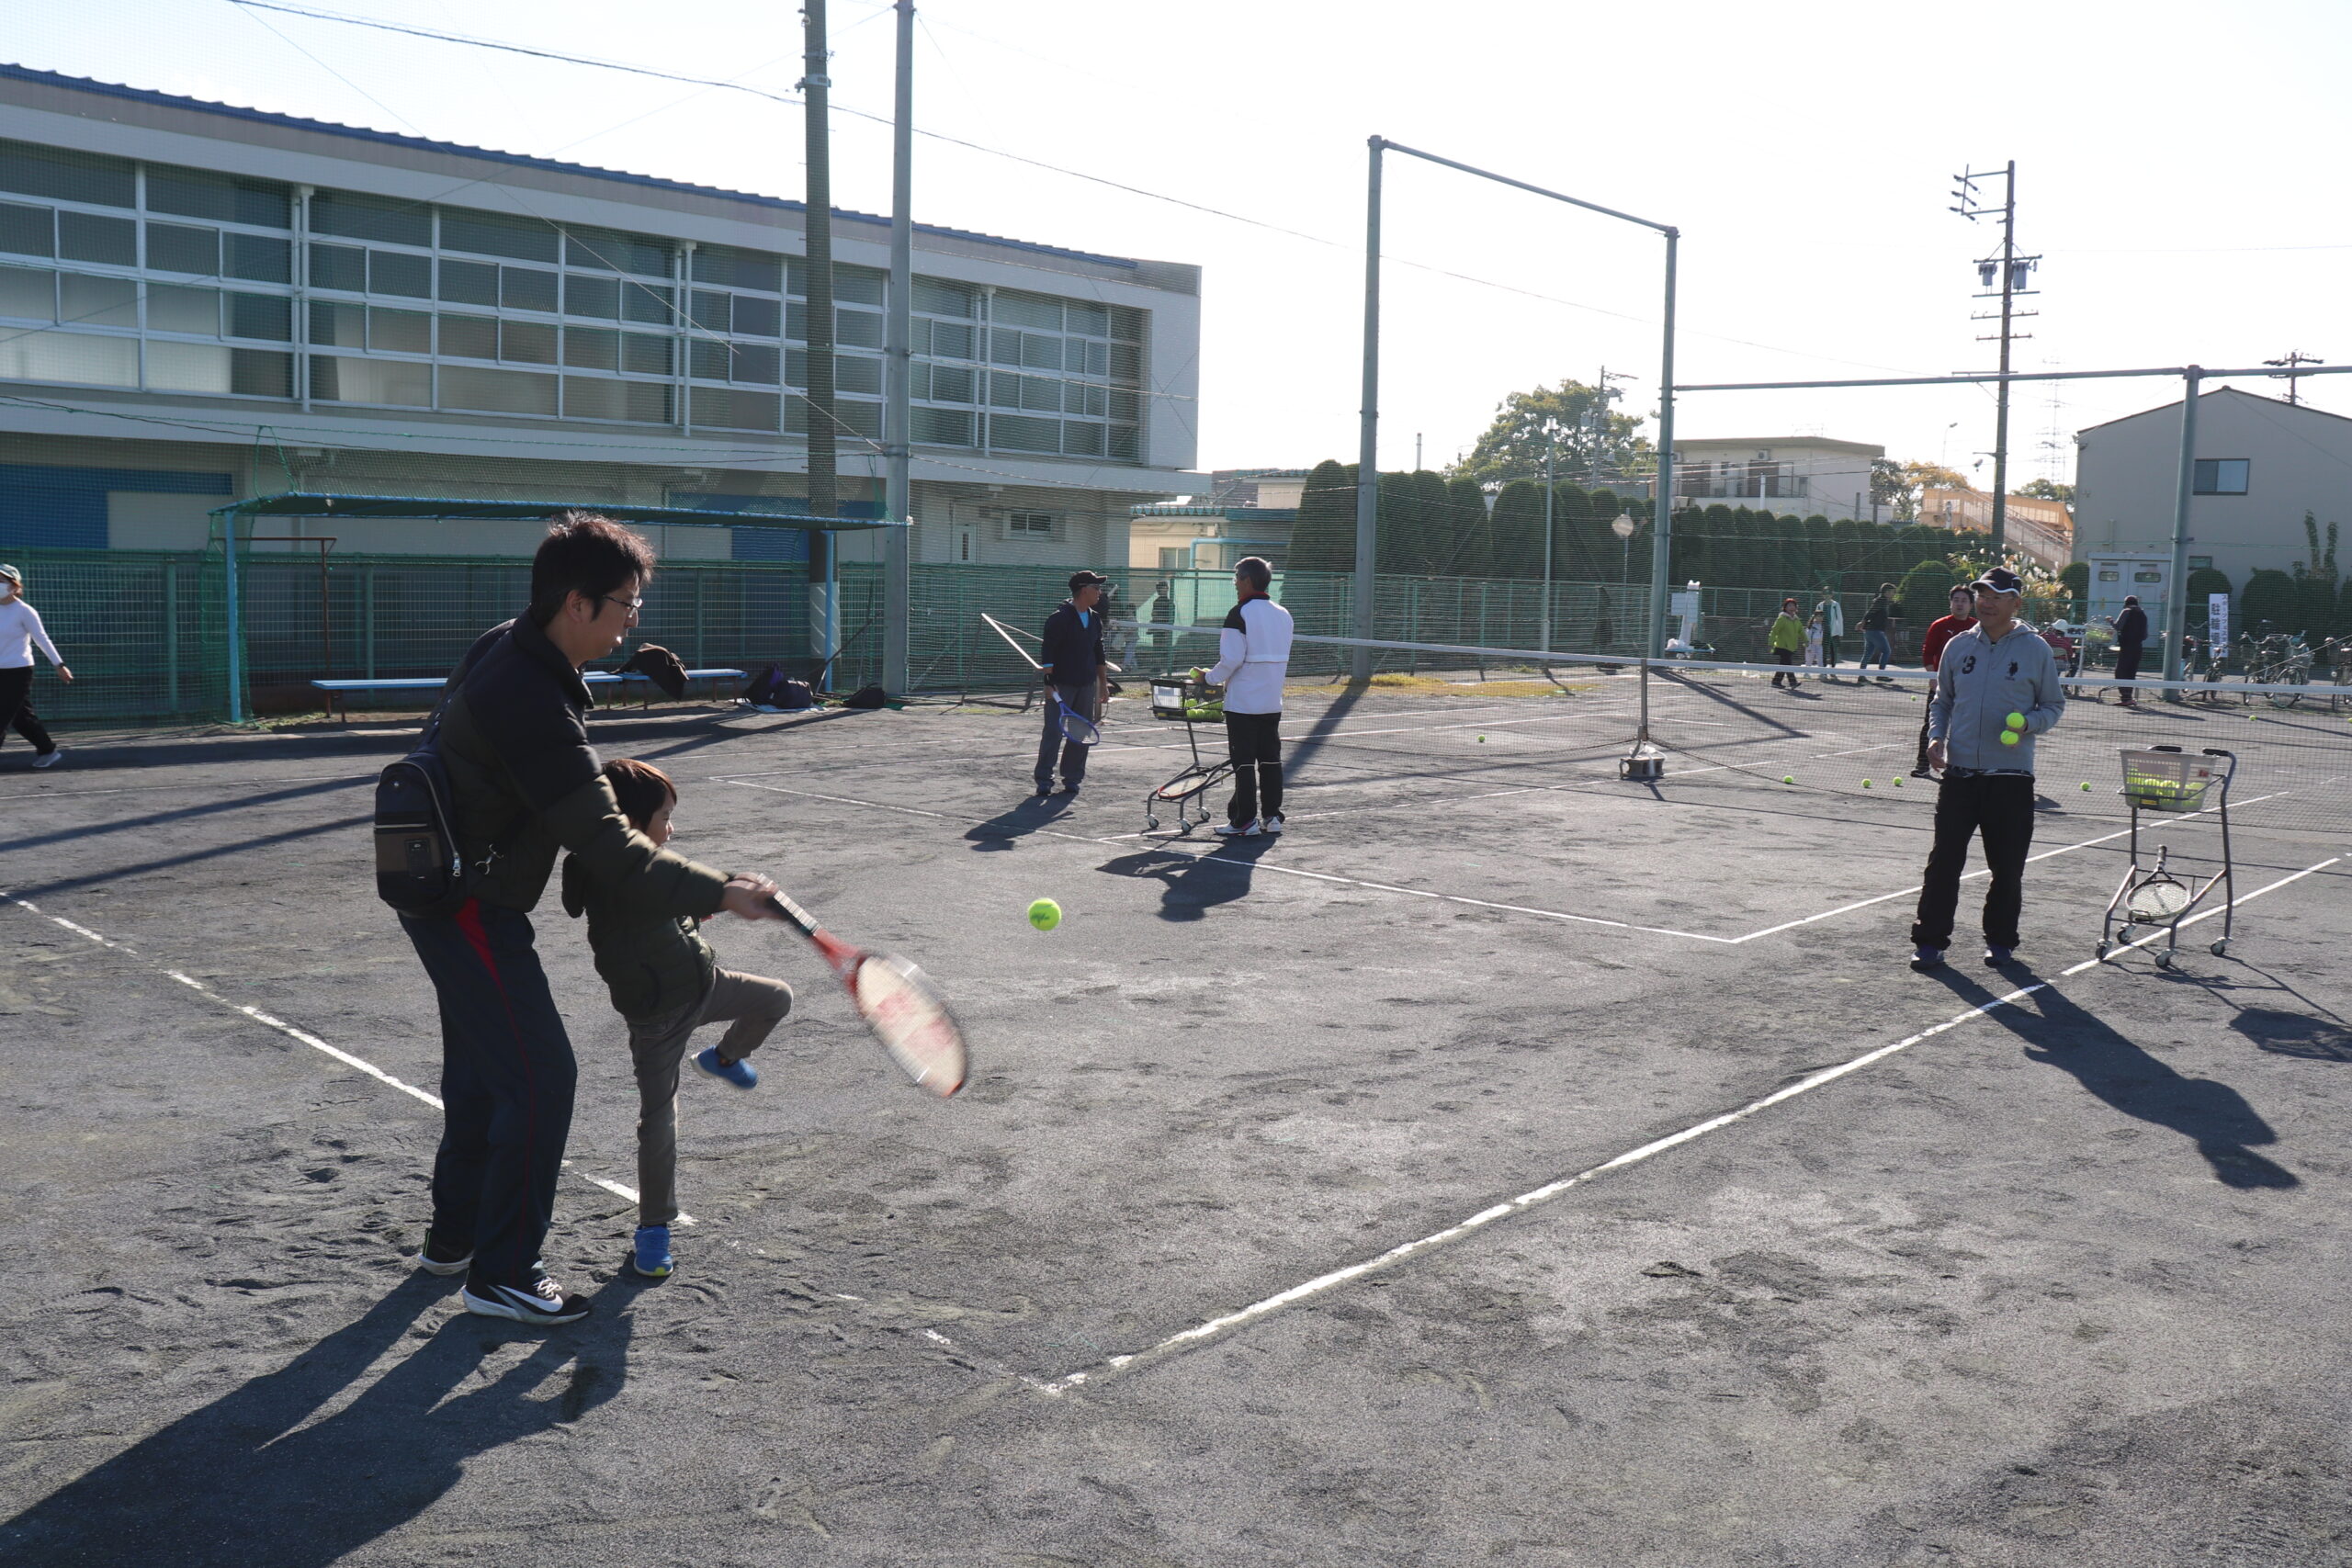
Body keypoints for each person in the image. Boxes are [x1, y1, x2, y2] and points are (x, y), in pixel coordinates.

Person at [402, 513, 780, 1326]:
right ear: (576, 603)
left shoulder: (511, 647)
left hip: (446, 886)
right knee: (542, 1076)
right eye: (626, 605)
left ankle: (454, 1238)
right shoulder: (531, 698)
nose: (633, 618)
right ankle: (504, 1272)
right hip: (469, 906)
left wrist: (623, 667)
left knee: (481, 1073)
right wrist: (722, 890)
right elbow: (610, 844)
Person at [561, 758, 795, 1282]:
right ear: (628, 824)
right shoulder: (619, 878)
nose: (671, 828)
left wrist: (711, 903)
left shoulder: (646, 872)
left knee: (776, 998)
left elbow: (674, 899)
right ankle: (653, 1229)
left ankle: (724, 1057)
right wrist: (726, 890)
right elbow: (661, 891)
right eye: (664, 817)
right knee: (659, 1123)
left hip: (704, 986)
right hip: (657, 1020)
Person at [1910, 566, 2065, 971]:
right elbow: (1942, 701)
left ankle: (2000, 941)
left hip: (2011, 780)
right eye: (1982, 595)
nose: (1986, 602)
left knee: (2007, 868)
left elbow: (2053, 705)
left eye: (1996, 596)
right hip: (1959, 776)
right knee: (1944, 864)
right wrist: (1936, 737)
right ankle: (1929, 942)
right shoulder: (1958, 645)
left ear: (2016, 603)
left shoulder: (2036, 650)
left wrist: (2028, 724)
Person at [1204, 556, 1295, 838]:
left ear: (1246, 580)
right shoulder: (1283, 614)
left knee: (1243, 763)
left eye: (1236, 579)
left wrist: (1207, 678)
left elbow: (1231, 660)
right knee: (1270, 760)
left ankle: (1244, 821)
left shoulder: (1239, 613)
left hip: (1243, 704)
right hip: (1271, 702)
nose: (1235, 584)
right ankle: (1272, 816)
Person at [1035, 570, 1113, 798]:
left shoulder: (1094, 618)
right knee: (1053, 732)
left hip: (1086, 684)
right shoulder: (1059, 618)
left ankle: (1072, 778)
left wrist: (1103, 684)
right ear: (1083, 590)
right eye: (1096, 588)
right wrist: (1049, 682)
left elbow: (1099, 653)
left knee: (1080, 733)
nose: (1100, 592)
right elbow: (1048, 651)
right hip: (1061, 685)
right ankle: (1044, 780)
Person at [0, 563, 71, 769]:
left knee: (2, 715)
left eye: (1, 580)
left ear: (14, 586)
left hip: (18, 672)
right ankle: (47, 750)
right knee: (21, 718)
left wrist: (59, 665)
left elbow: (42, 639)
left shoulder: (24, 611)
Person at [1910, 584, 1976, 779]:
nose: (1959, 604)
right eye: (1956, 600)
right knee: (1931, 724)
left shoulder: (1978, 628)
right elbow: (1928, 653)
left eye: (1964, 601)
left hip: (1967, 687)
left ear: (1971, 605)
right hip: (1942, 685)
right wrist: (1933, 678)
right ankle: (1923, 765)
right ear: (1950, 603)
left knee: (1967, 726)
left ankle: (1964, 767)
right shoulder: (1939, 626)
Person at [2112, 593, 2150, 705]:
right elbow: (2145, 635)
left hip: (2126, 646)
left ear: (2126, 603)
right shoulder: (2143, 614)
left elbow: (2118, 626)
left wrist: (2110, 621)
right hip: (2138, 647)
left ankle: (2125, 697)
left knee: (2120, 672)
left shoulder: (2126, 611)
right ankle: (2129, 697)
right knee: (2131, 672)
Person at [1860, 582, 1898, 680]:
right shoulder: (1881, 600)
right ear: (1886, 592)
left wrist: (1863, 623)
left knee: (1868, 654)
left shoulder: (1882, 601)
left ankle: (1861, 676)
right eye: (1892, 592)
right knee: (1886, 651)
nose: (1893, 594)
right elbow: (1870, 612)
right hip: (1875, 631)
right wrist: (1862, 622)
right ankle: (1880, 675)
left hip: (1870, 631)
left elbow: (1872, 612)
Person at [1768, 597, 1804, 689]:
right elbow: (1774, 631)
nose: (1792, 607)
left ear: (1796, 608)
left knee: (1784, 665)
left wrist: (1806, 640)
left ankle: (1776, 682)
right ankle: (1793, 682)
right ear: (1785, 608)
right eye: (1789, 606)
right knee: (1788, 664)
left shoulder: (1796, 620)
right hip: (1782, 646)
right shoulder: (1782, 619)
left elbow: (1801, 631)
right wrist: (1771, 643)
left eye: (1793, 606)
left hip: (1791, 647)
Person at [1814, 588, 1845, 678]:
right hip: (1823, 633)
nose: (1827, 595)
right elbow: (1816, 619)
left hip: (1834, 633)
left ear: (1832, 595)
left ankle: (1833, 670)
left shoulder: (1836, 605)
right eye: (1825, 594)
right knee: (1823, 652)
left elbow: (1840, 619)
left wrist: (1840, 633)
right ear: (1822, 595)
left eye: (1829, 594)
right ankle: (1823, 671)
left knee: (1833, 652)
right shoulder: (1819, 605)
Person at [1148, 580, 1176, 667]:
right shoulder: (1157, 602)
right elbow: (1154, 614)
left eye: (1164, 587)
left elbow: (1171, 617)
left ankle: (1171, 665)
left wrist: (1168, 627)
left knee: (1164, 647)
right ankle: (1157, 665)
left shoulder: (1169, 603)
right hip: (1159, 628)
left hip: (1164, 628)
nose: (1163, 589)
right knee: (1158, 647)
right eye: (1161, 588)